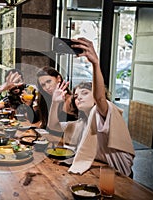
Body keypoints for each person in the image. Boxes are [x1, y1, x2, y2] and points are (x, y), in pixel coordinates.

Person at [47, 37, 135, 177]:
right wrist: (55, 102)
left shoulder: (106, 112)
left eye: (85, 93)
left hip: (120, 175)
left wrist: (95, 63)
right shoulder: (82, 123)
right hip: (100, 171)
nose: (79, 97)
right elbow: (53, 126)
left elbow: (100, 99)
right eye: (76, 96)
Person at [36, 66, 77, 134]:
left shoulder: (72, 101)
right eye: (43, 85)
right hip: (51, 141)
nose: (47, 87)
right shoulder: (47, 101)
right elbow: (44, 125)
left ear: (58, 78)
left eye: (49, 81)